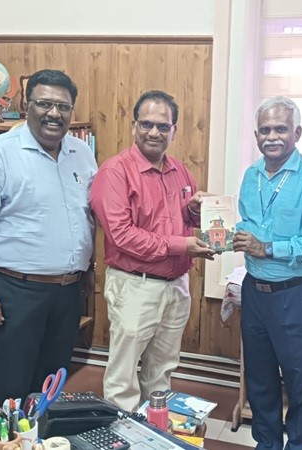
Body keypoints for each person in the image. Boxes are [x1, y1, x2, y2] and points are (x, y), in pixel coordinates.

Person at [0, 69, 97, 419]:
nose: (54, 113)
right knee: (13, 391)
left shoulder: (81, 153)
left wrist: (88, 267)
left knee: (50, 386)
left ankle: (42, 439)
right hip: (17, 292)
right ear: (26, 104)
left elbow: (87, 216)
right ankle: (10, 441)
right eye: (44, 103)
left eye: (63, 106)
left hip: (68, 291)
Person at [90, 90, 215, 411]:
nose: (154, 133)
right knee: (123, 378)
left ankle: (154, 432)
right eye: (146, 124)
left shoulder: (180, 171)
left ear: (174, 131)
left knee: (162, 370)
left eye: (163, 126)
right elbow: (122, 236)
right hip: (135, 286)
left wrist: (195, 210)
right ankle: (121, 433)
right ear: (134, 126)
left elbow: (181, 219)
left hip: (176, 287)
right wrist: (181, 246)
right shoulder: (115, 172)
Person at [233, 96, 302, 450]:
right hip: (254, 292)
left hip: (296, 294)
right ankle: (267, 445)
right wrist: (215, 223)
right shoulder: (251, 175)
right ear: (256, 136)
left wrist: (267, 248)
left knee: (301, 385)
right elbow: (247, 225)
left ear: (297, 133)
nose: (272, 137)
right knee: (259, 381)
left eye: (280, 129)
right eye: (265, 130)